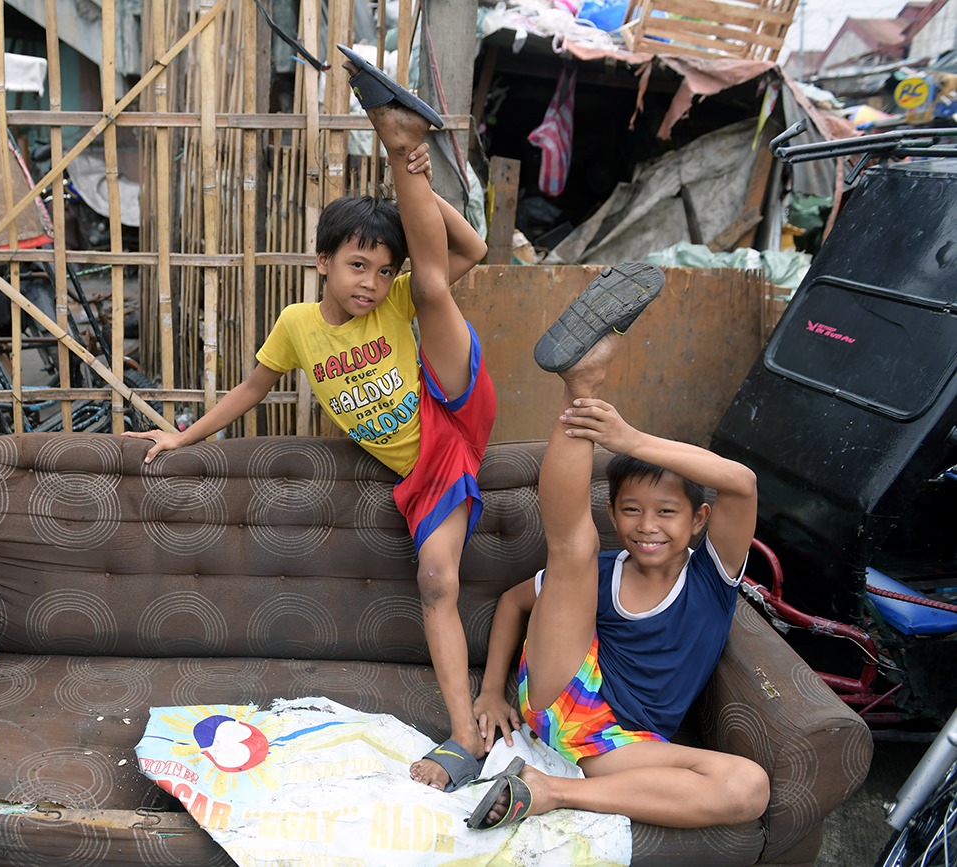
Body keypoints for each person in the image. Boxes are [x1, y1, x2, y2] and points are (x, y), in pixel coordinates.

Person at [125, 54, 496, 793]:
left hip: (451, 409)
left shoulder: (398, 298)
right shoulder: (297, 326)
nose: (372, 283)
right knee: (435, 581)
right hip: (425, 476)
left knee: (431, 287)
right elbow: (250, 389)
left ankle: (399, 142)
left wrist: (419, 178)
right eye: (358, 265)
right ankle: (464, 739)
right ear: (323, 262)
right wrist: (182, 435)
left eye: (381, 270)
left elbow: (472, 251)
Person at [466, 269, 770, 830]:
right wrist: (489, 692)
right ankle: (583, 384)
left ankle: (549, 790)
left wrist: (630, 441)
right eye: (631, 511)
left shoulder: (712, 576)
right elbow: (513, 602)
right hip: (566, 692)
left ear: (699, 520)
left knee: (748, 787)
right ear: (612, 513)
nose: (647, 527)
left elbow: (742, 483)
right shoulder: (602, 571)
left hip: (624, 747)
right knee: (571, 552)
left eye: (667, 513)